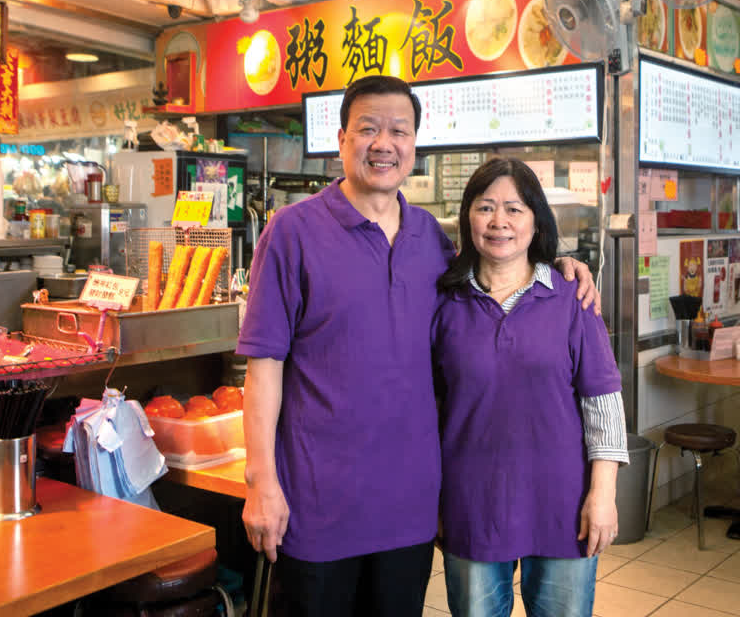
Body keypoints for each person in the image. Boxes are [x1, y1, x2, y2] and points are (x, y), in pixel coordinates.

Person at [236, 75, 598, 617]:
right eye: (368, 129)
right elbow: (263, 368)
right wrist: (262, 481)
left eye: (399, 131)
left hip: (408, 507)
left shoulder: (431, 240)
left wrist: (562, 268)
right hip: (316, 501)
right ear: (341, 140)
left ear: (415, 148)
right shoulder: (292, 232)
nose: (384, 143)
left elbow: (501, 272)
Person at [431, 157, 628, 617]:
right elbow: (429, 407)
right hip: (471, 501)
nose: (499, 221)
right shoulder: (444, 303)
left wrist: (603, 495)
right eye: (485, 208)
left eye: (515, 209)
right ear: (468, 219)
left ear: (536, 221)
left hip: (563, 502)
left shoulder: (571, 298)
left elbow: (603, 404)